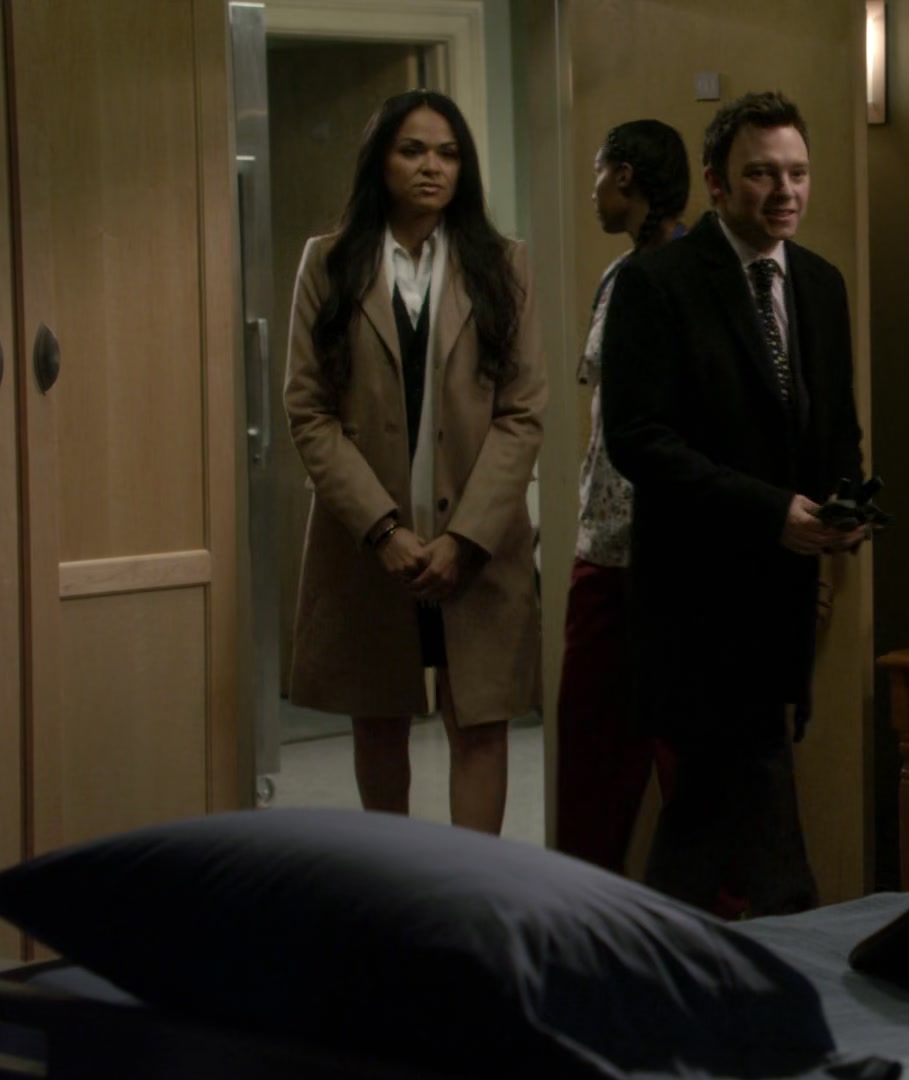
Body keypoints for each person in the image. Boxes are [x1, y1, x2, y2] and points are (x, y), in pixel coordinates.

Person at [600, 91, 866, 918]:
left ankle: (653, 955)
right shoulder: (656, 283)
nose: (785, 191)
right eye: (762, 174)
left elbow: (835, 428)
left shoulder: (819, 283)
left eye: (798, 173)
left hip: (783, 598)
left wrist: (846, 504)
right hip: (696, 598)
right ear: (716, 183)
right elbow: (637, 439)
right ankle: (792, 951)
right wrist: (769, 511)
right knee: (752, 802)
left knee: (706, 819)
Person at [284, 89, 545, 835]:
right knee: (379, 717)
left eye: (449, 153)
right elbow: (308, 410)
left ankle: (469, 887)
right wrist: (383, 529)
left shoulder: (504, 264)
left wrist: (465, 538)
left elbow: (523, 412)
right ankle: (397, 881)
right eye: (413, 150)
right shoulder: (330, 262)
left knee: (481, 720)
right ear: (381, 161)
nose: (433, 167)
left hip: (476, 545)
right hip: (372, 547)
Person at [553, 119, 690, 872]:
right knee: (592, 748)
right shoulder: (616, 275)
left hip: (671, 549)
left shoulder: (693, 274)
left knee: (689, 752)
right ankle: (585, 904)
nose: (594, 192)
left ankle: (718, 916)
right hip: (604, 543)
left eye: (599, 174)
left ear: (627, 176)